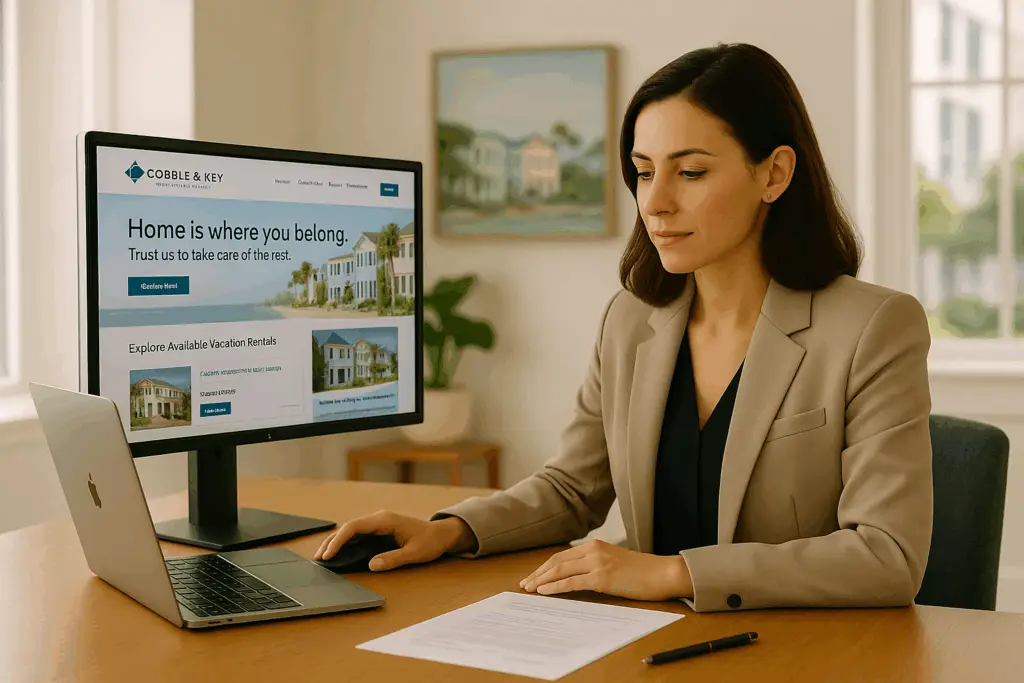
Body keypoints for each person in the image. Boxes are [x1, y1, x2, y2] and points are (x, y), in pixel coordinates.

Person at [314, 42, 933, 613]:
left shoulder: (874, 326)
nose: (655, 202)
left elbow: (887, 557)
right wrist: (448, 530)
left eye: (690, 173)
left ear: (773, 174)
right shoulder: (630, 319)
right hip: (640, 644)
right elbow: (572, 488)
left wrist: (672, 574)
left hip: (798, 654)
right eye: (643, 171)